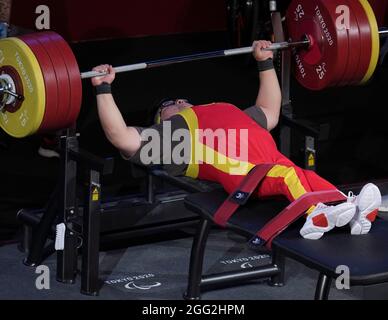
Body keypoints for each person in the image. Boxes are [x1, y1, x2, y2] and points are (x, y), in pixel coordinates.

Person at [90, 40, 382, 240]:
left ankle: (352, 211)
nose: (178, 100)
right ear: (161, 121)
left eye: (180, 98)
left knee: (304, 174)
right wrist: (103, 89)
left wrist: (265, 62)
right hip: (246, 180)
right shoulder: (173, 137)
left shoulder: (226, 111)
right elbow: (120, 136)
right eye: (168, 104)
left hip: (272, 165)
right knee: (288, 175)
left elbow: (269, 111)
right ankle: (314, 216)